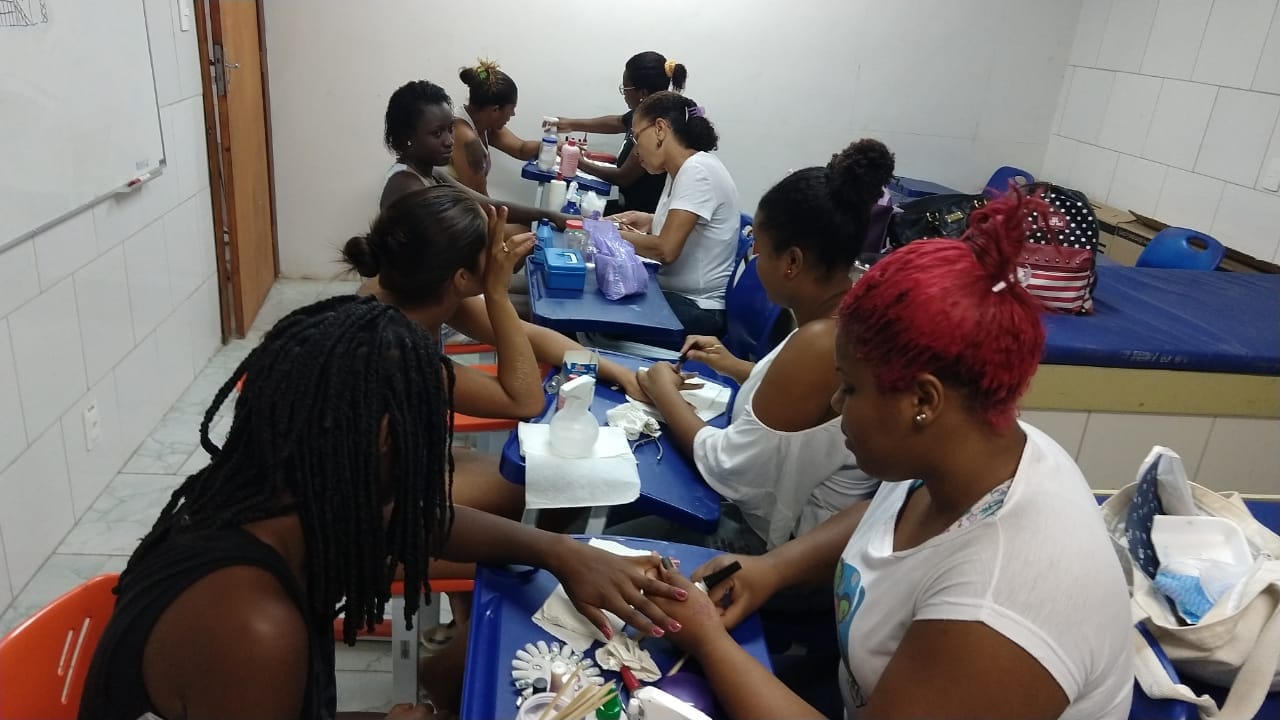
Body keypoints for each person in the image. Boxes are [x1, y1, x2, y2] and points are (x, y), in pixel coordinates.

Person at [79, 296, 687, 720]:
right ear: (385, 439)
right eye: (428, 429)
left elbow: (419, 522)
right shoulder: (252, 627)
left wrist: (559, 552)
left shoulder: (288, 501)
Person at [648, 191, 1134, 719]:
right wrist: (771, 570)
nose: (836, 403)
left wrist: (708, 641)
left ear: (923, 401)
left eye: (851, 388)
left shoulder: (1000, 605)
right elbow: (889, 512)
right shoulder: (974, 449)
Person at [628, 139, 895, 554]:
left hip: (777, 547)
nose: (752, 255)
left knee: (607, 533)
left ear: (792, 262)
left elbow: (725, 469)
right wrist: (736, 367)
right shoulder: (838, 314)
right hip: (769, 513)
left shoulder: (822, 342)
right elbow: (808, 408)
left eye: (759, 247)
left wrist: (663, 391)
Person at [611, 91, 739, 335]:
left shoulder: (697, 171)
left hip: (698, 308)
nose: (635, 151)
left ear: (660, 129)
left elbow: (666, 250)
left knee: (605, 309)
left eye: (637, 137)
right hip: (678, 297)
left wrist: (608, 232)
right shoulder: (680, 169)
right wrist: (648, 220)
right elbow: (689, 227)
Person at [380, 79, 569, 227]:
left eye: (449, 129)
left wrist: (551, 215)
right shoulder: (408, 188)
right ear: (407, 136)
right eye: (437, 133)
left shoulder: (430, 173)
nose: (449, 140)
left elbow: (488, 204)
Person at [554, 51, 688, 214]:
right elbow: (618, 122)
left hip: (641, 213)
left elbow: (623, 177)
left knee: (566, 215)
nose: (624, 93)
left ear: (643, 93)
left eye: (625, 88)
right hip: (629, 207)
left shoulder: (654, 128)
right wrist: (570, 124)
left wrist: (577, 161)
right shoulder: (648, 112)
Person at [448, 60, 544, 195]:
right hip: (451, 204)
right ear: (495, 110)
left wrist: (552, 146)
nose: (513, 114)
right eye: (511, 109)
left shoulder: (485, 125)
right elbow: (478, 197)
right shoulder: (464, 135)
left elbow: (520, 149)